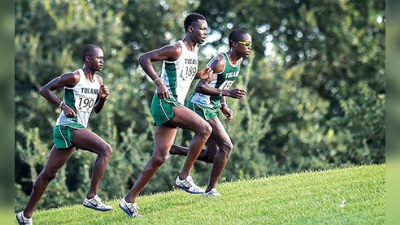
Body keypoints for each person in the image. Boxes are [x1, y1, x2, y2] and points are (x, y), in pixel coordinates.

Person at [119, 13, 213, 218]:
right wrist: (158, 82)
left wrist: (200, 76)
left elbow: (181, 75)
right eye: (202, 29)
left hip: (173, 104)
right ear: (190, 29)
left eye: (207, 29)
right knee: (205, 128)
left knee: (160, 157)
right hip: (165, 103)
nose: (205, 32)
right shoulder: (176, 48)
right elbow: (143, 58)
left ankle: (129, 200)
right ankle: (184, 177)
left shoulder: (194, 50)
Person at [16, 44, 113, 225]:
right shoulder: (74, 77)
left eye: (103, 58)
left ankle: (25, 216)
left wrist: (102, 99)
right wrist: (63, 106)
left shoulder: (99, 81)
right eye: (99, 58)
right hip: (67, 126)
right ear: (87, 59)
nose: (102, 61)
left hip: (77, 127)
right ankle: (92, 196)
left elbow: (97, 110)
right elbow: (45, 89)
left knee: (49, 173)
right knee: (105, 150)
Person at [169, 29, 252, 197]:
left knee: (211, 156)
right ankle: (210, 190)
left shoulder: (240, 61)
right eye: (246, 44)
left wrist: (223, 105)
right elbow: (200, 86)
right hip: (200, 105)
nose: (249, 48)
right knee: (227, 146)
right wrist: (227, 94)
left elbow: (221, 85)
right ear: (234, 45)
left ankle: (174, 149)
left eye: (251, 45)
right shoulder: (220, 62)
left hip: (212, 107)